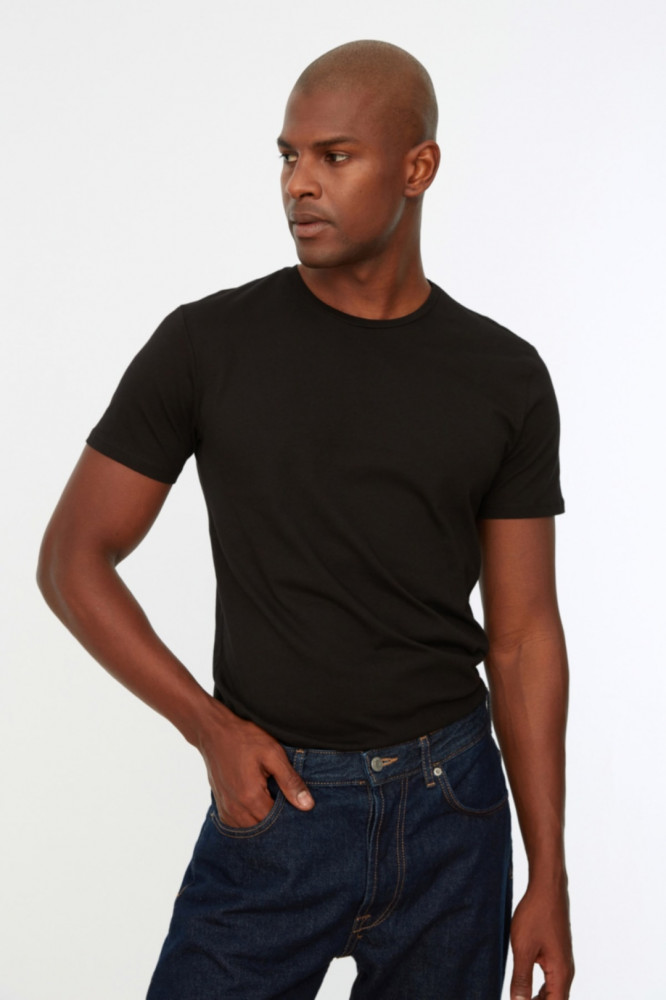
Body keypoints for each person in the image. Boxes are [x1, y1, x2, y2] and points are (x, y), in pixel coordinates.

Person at [37, 39, 574, 1000]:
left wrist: (549, 875)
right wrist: (209, 729)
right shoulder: (207, 345)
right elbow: (73, 559)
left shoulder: (504, 375)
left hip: (453, 811)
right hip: (279, 802)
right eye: (288, 156)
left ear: (417, 167)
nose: (298, 184)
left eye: (334, 156)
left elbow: (525, 635)